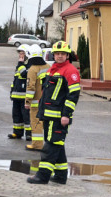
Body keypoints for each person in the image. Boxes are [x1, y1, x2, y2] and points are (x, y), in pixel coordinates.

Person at [28, 40, 81, 185]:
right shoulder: (53, 69)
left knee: (51, 145)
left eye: (62, 54)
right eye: (57, 54)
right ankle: (60, 176)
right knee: (57, 144)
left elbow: (73, 95)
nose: (59, 56)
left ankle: (43, 175)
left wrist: (66, 114)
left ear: (67, 55)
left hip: (59, 117)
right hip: (49, 115)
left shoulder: (70, 71)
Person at [24, 44, 49, 154]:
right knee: (47, 123)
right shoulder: (48, 67)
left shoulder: (32, 69)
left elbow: (30, 87)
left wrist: (27, 101)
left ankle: (37, 145)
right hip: (48, 100)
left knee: (36, 123)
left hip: (36, 102)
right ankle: (48, 144)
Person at [7, 44, 30, 141]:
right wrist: (11, 92)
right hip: (16, 96)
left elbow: (25, 74)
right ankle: (17, 132)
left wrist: (20, 64)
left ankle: (29, 134)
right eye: (20, 54)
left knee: (26, 116)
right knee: (16, 115)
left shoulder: (29, 65)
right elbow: (15, 81)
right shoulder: (19, 66)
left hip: (25, 97)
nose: (20, 56)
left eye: (22, 53)